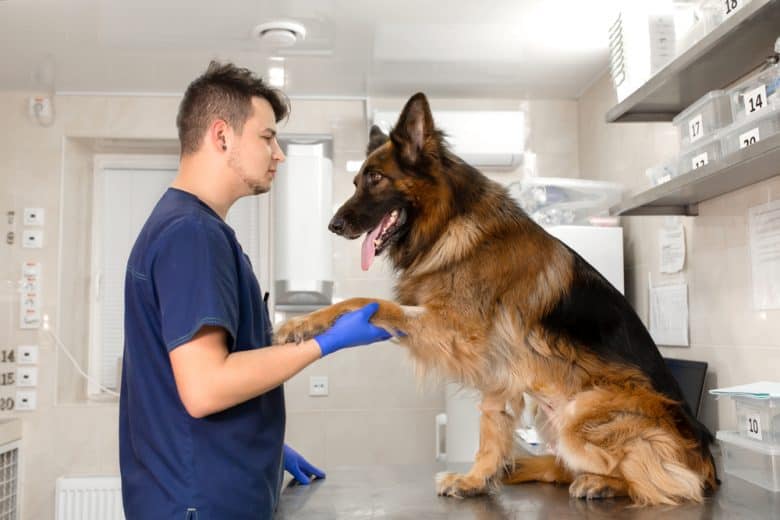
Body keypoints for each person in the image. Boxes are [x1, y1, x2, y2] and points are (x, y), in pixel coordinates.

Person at [119, 61, 393, 520]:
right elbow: (205, 387)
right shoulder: (192, 234)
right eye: (268, 137)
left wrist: (260, 443)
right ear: (222, 136)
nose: (279, 153)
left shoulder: (189, 228)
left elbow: (183, 381)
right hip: (201, 504)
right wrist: (325, 343)